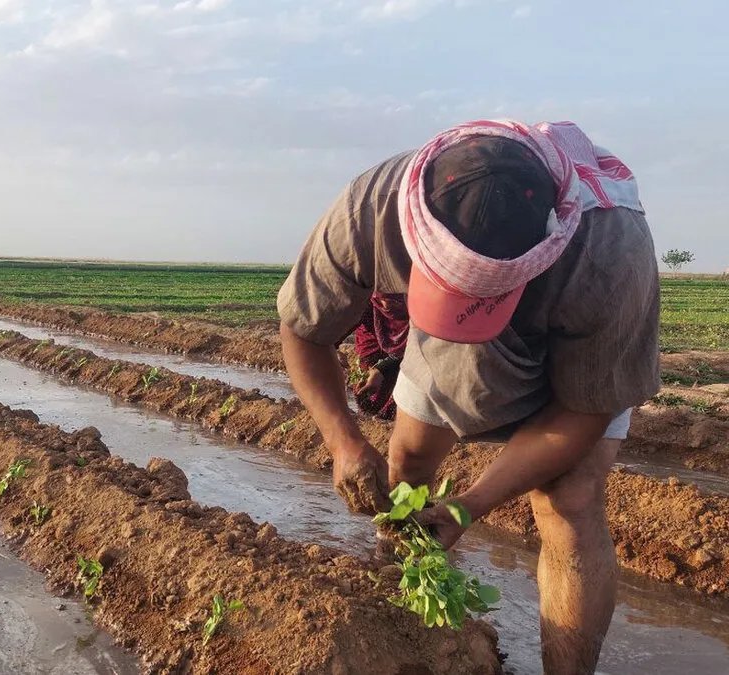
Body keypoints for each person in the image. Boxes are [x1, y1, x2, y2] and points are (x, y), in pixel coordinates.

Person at [277, 120, 659, 675]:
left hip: (569, 334)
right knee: (406, 468)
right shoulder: (374, 205)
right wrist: (342, 440)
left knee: (570, 500)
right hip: (454, 321)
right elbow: (303, 330)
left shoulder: (609, 249)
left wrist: (470, 504)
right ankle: (409, 635)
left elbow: (586, 409)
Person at [350, 293, 408, 420]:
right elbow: (337, 327)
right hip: (371, 344)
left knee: (397, 404)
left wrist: (382, 369)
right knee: (368, 399)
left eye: (393, 300)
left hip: (410, 349)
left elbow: (421, 346)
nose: (386, 304)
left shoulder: (422, 305)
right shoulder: (364, 300)